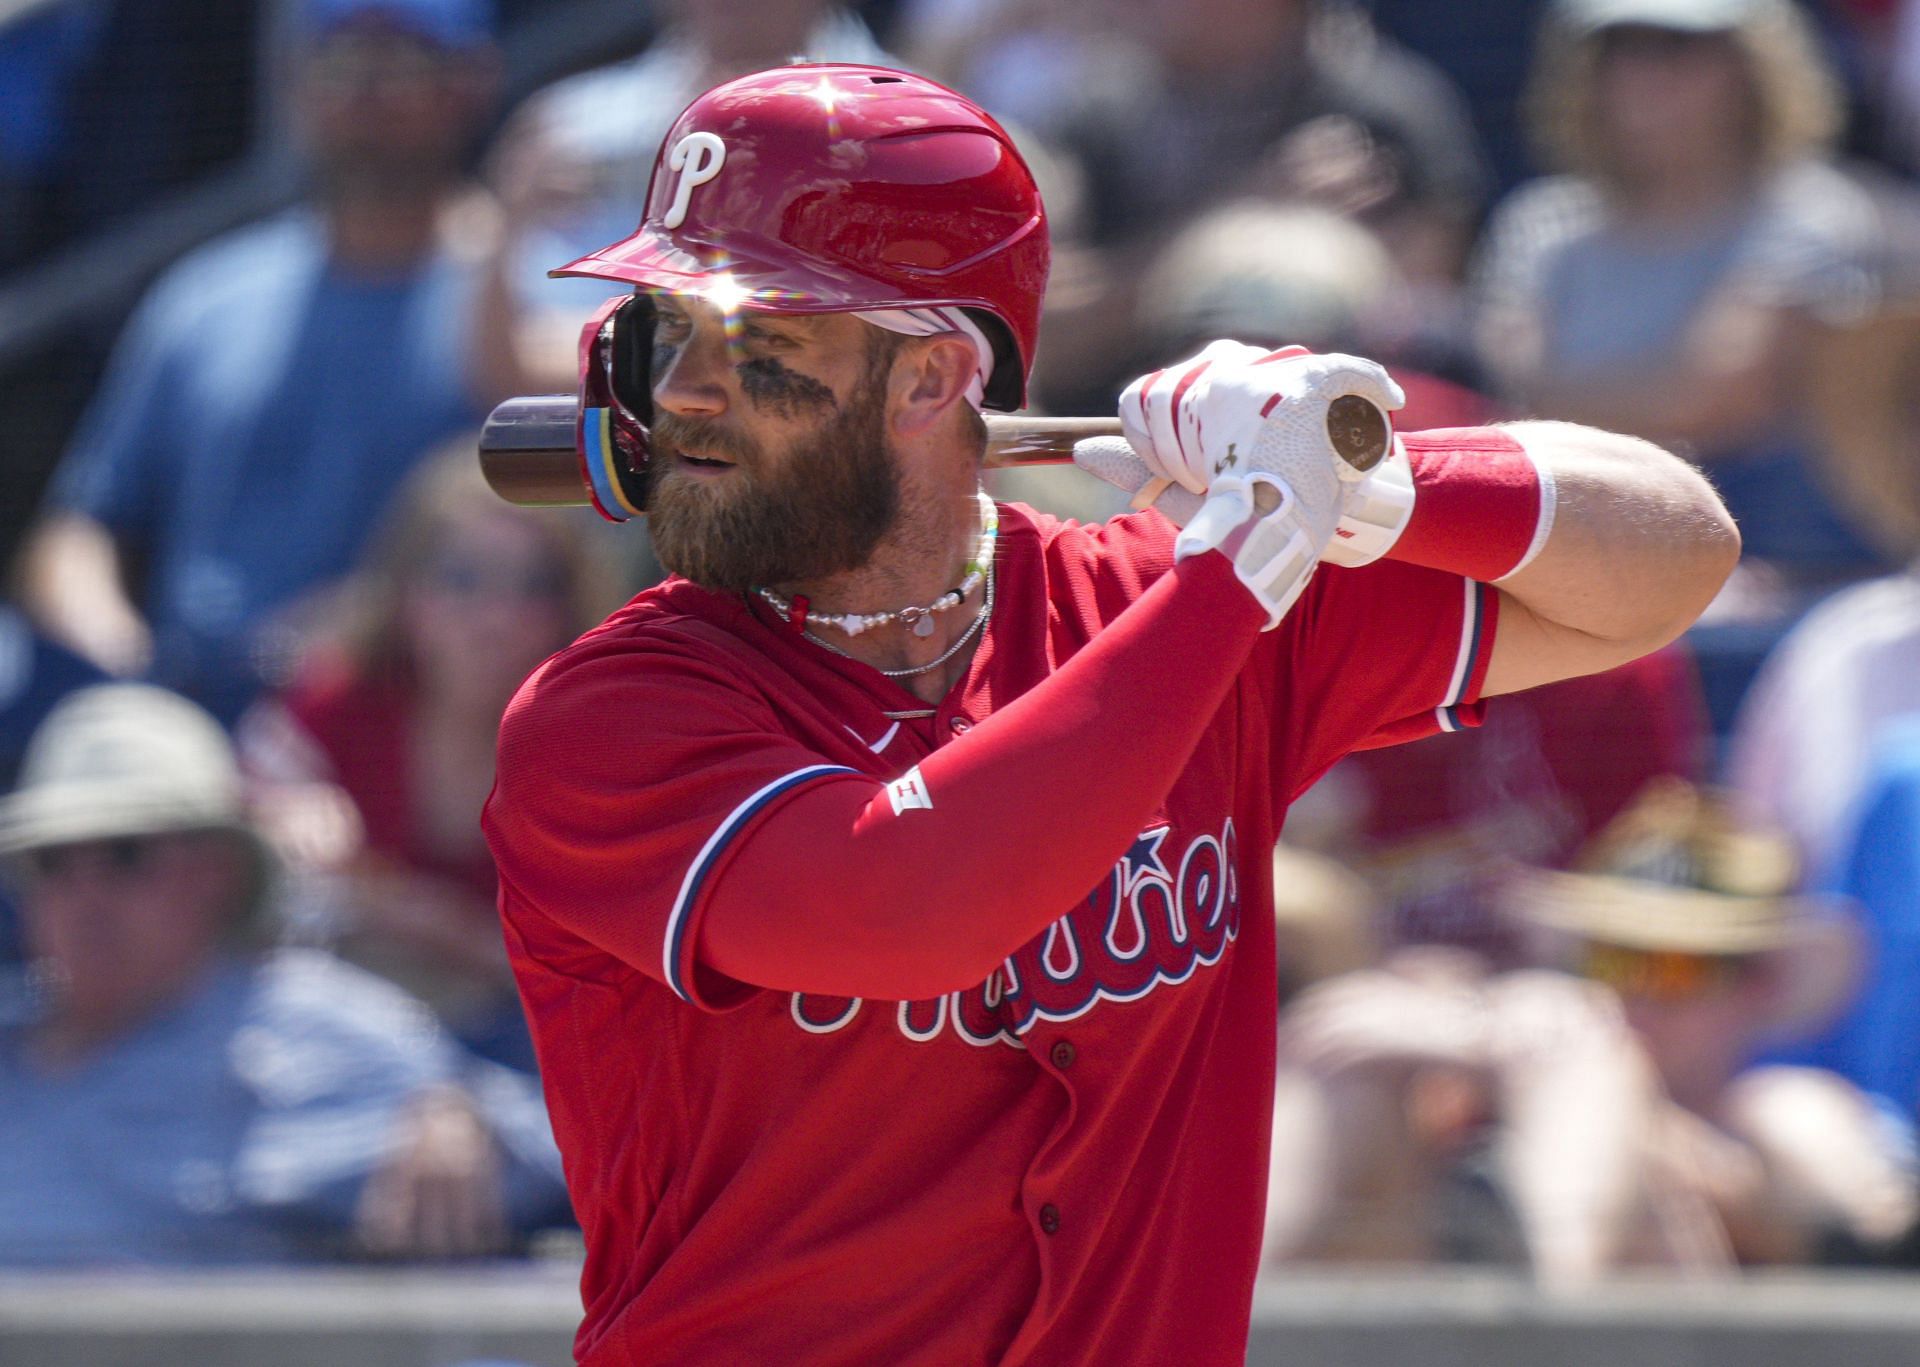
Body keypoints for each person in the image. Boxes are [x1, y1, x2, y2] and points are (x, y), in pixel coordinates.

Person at [480, 64, 1738, 1364]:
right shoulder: (604, 716)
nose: (677, 390)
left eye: (757, 343)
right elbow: (917, 898)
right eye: (662, 329)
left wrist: (1362, 480)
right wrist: (1246, 548)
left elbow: (1670, 555)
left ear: (930, 382)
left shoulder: (1147, 598)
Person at [16, 0, 503, 726]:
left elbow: (559, 549)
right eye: (338, 61)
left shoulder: (519, 313)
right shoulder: (207, 296)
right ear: (294, 84)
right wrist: (127, 666)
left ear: (471, 82)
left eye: (400, 60)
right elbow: (78, 531)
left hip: (415, 732)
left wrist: (368, 627)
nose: (366, 91)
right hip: (188, 716)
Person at [0, 683, 571, 1266]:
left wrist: (472, 1121)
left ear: (216, 872)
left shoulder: (314, 1028)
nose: (82, 895)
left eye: (124, 854)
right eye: (52, 862)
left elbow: (581, 1156)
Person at [1264, 781, 1917, 1280]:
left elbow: (1871, 1241)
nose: (1640, 994)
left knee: (1588, 1050)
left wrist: (1687, 1158)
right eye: (1614, 959)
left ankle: (1547, 1294)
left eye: (1681, 967)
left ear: (1759, 986)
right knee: (1349, 1048)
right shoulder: (1519, 1072)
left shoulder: (1779, 1109)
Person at [239, 445, 623, 1071]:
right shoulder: (342, 704)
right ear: (403, 592)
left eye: (534, 586)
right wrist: (278, 819)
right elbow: (229, 849)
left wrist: (440, 929)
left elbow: (605, 977)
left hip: (524, 1046)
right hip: (337, 1026)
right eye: (462, 580)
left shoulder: (593, 749)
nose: (495, 618)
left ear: (571, 606)